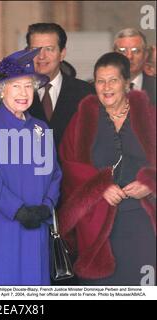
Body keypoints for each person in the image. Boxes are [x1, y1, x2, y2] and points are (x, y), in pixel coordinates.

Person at [0, 48, 62, 285]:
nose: (23, 93)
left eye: (28, 86)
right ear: (1, 90)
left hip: (35, 225)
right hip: (0, 227)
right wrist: (18, 210)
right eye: (15, 86)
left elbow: (55, 173)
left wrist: (47, 206)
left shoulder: (41, 128)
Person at [58, 52, 156, 285]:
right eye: (100, 81)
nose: (106, 87)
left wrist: (150, 184)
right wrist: (98, 188)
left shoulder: (150, 116)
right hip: (96, 222)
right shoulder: (81, 120)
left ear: (126, 82)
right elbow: (69, 165)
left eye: (113, 80)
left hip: (141, 221)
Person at [25, 22, 94, 148]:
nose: (41, 56)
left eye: (49, 49)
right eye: (35, 50)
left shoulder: (86, 94)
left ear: (62, 54)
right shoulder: (13, 96)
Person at [114, 28, 156, 105]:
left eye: (135, 51)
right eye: (123, 51)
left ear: (145, 55)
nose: (129, 56)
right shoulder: (98, 88)